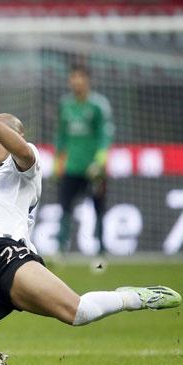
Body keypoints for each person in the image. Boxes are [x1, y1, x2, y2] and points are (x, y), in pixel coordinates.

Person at [0, 81, 180, 365]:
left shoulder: (24, 166)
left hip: (4, 257)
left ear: (13, 140)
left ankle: (134, 297)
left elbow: (22, 151)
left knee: (77, 312)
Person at [55, 64, 113, 259]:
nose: (76, 81)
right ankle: (60, 249)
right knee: (65, 207)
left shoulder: (98, 105)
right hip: (71, 166)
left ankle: (102, 249)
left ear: (88, 80)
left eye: (80, 77)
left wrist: (99, 161)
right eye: (73, 77)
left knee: (98, 207)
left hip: (93, 168)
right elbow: (61, 136)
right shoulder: (65, 105)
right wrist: (57, 162)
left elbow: (105, 135)